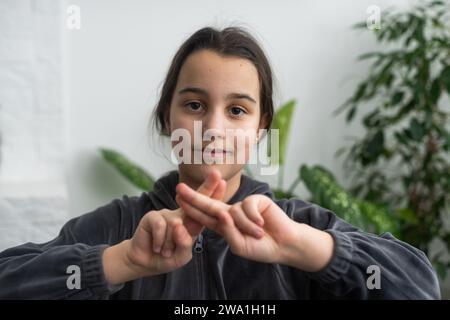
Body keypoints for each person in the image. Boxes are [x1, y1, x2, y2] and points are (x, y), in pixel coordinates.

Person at [0, 26, 441, 299]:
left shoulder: (297, 225)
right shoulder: (118, 227)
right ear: (166, 117)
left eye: (236, 110)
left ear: (260, 128)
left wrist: (305, 249)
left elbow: (421, 287)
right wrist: (122, 262)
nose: (213, 128)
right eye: (194, 105)